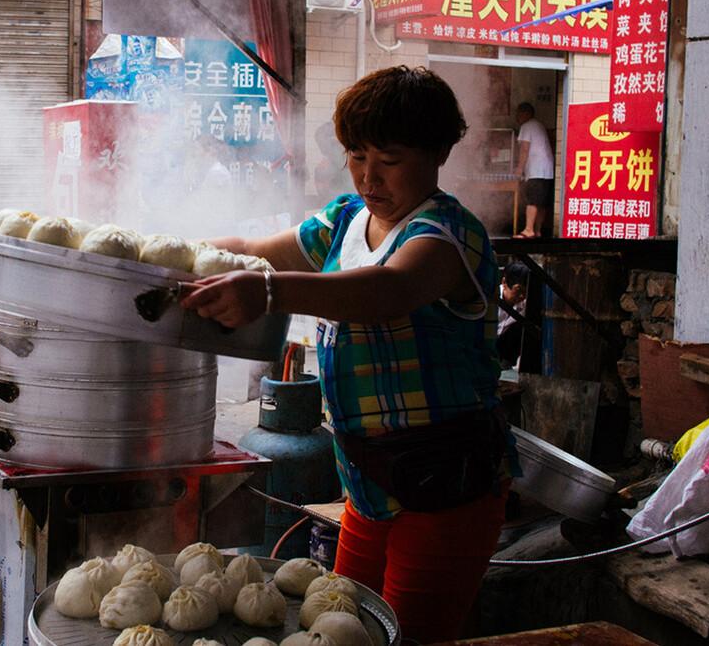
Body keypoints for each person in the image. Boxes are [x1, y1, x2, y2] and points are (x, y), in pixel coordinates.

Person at [181, 66, 516, 643]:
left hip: (445, 489)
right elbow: (256, 250)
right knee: (337, 628)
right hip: (367, 486)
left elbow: (388, 291)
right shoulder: (343, 220)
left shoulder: (446, 233)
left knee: (406, 635)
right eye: (356, 156)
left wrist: (268, 292)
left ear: (437, 152)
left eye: (388, 159)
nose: (369, 177)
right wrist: (176, 251)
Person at [513, 102, 554, 238]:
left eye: (518, 114)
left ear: (525, 113)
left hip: (536, 170)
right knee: (541, 202)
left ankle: (528, 230)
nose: (517, 117)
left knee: (533, 200)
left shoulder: (527, 126)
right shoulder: (539, 125)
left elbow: (524, 149)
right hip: (547, 170)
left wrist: (519, 169)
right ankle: (537, 231)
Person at [497, 261, 529, 369]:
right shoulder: (491, 299)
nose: (521, 296)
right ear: (504, 283)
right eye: (518, 290)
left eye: (525, 292)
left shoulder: (524, 305)